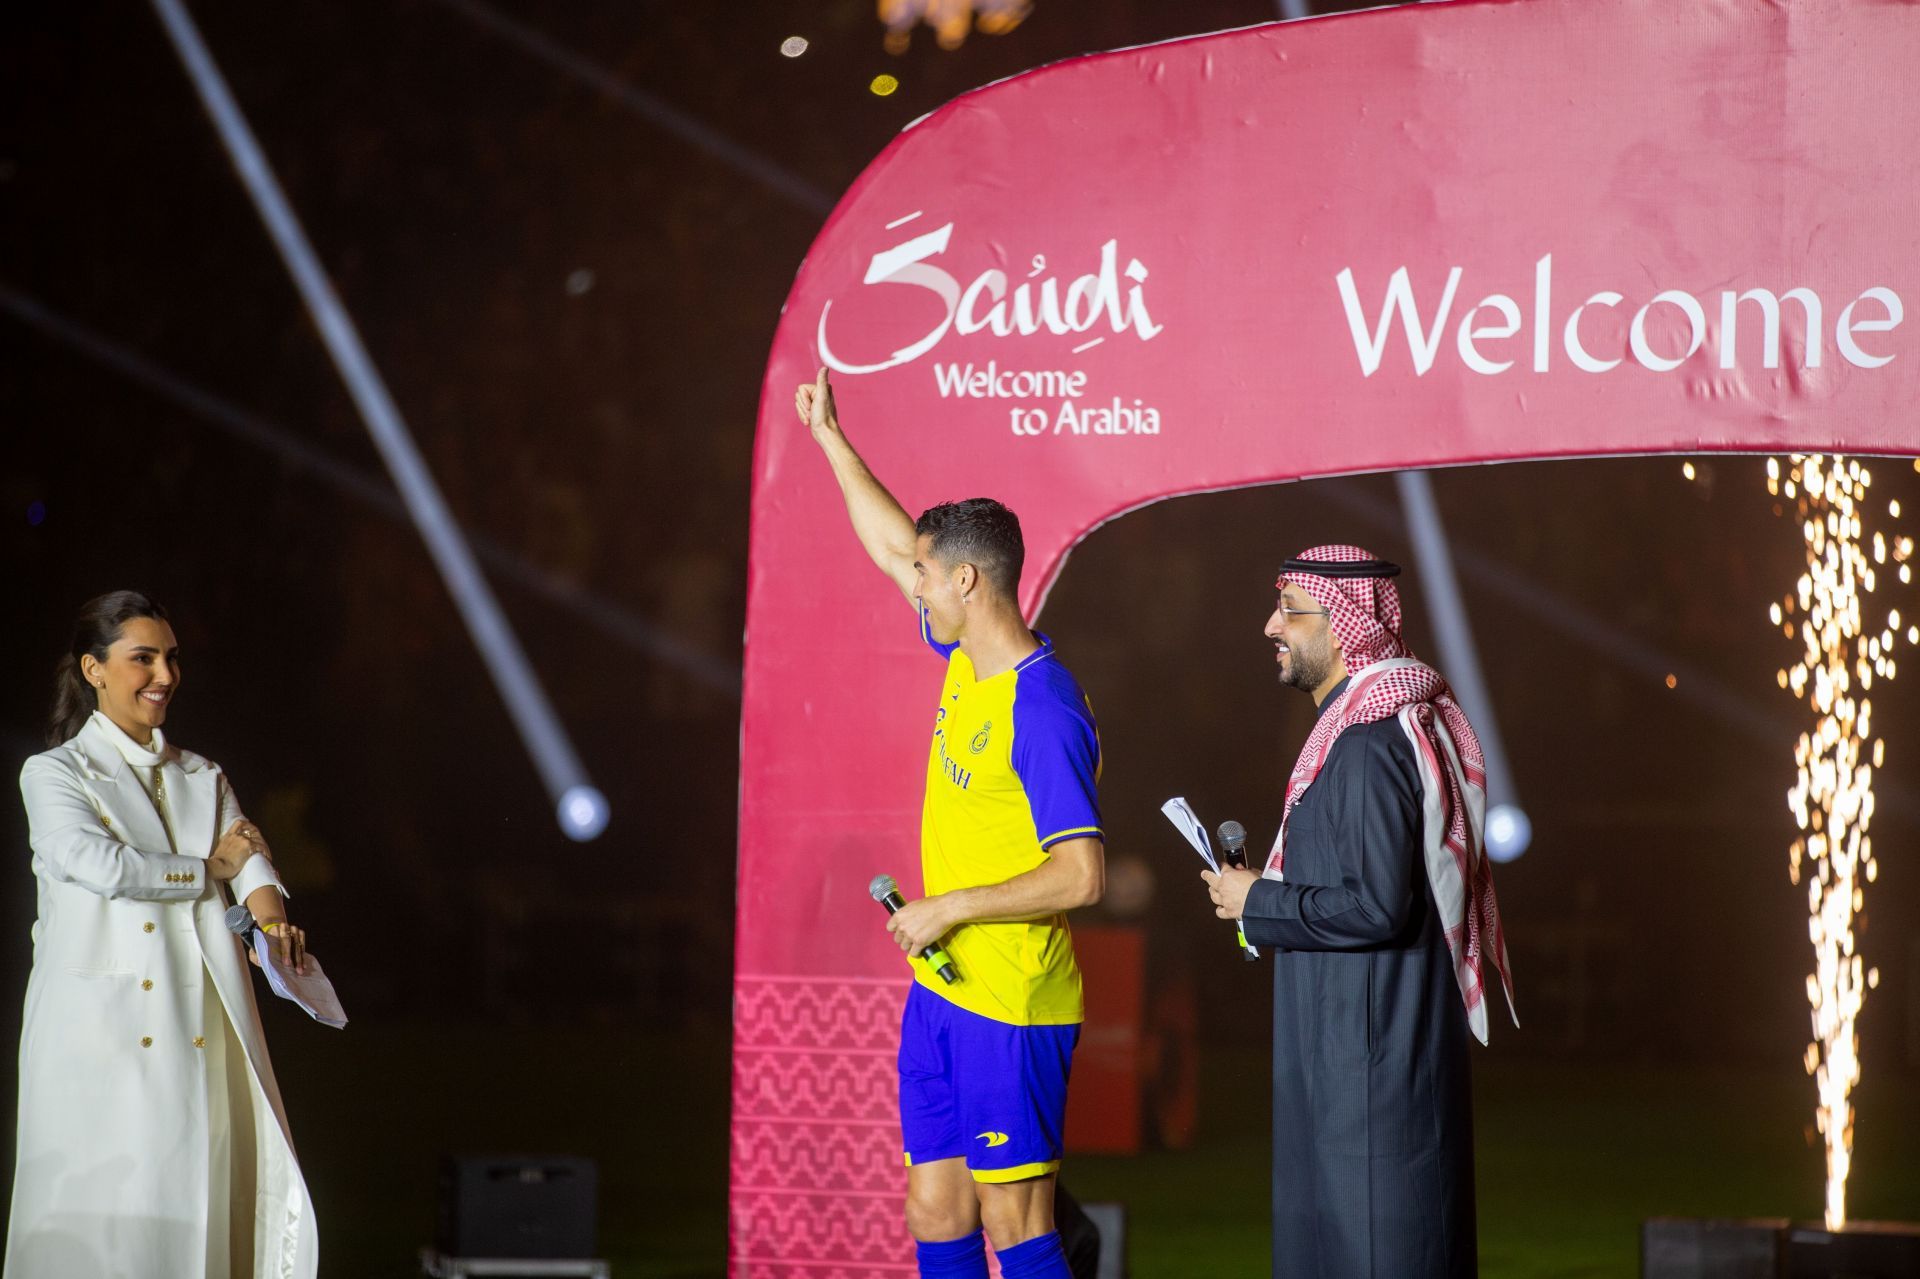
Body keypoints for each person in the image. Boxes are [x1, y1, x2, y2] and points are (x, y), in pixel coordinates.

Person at [798, 369, 1104, 1279]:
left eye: (930, 577)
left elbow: (1081, 875)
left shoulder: (1041, 707)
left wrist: (949, 907)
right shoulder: (967, 653)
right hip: (945, 991)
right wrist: (830, 439)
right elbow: (895, 546)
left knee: (1016, 1225)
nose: (914, 588)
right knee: (934, 1205)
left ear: (969, 581)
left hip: (1012, 1002)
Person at [1200, 545, 1517, 1279]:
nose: (1270, 624)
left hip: (1372, 1079)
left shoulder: (1372, 746)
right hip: (1346, 1065)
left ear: (1345, 627)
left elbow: (1376, 905)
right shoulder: (1356, 736)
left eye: (1290, 610)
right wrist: (1260, 899)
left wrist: (1261, 900)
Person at [8, 591, 319, 1279]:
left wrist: (271, 920)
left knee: (194, 1203)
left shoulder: (201, 774)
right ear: (94, 669)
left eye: (170, 658)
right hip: (100, 1034)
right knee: (109, 1214)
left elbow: (252, 859)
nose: (164, 675)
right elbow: (97, 863)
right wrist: (209, 869)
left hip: (195, 1023)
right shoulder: (54, 773)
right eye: (142, 657)